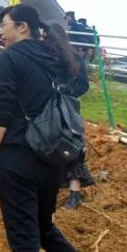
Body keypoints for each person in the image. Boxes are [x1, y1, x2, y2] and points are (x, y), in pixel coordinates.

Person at [0, 5, 120, 252]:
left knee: (25, 244)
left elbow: (2, 111)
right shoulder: (57, 56)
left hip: (18, 158)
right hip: (52, 160)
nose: (2, 32)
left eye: (5, 26)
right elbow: (79, 87)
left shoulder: (12, 59)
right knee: (45, 230)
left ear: (23, 27)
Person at [48, 24, 95, 210]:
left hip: (64, 106)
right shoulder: (48, 56)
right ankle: (69, 193)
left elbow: (82, 84)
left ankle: (74, 194)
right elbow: (84, 84)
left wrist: (68, 92)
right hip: (54, 106)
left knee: (70, 146)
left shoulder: (72, 57)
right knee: (67, 144)